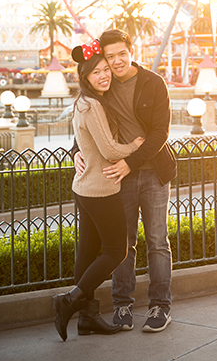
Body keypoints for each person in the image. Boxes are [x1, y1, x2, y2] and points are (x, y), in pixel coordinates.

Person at [72, 29, 176, 333]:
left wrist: (130, 162)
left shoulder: (153, 83)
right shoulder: (102, 85)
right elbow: (87, 124)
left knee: (158, 241)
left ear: (132, 51)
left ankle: (160, 306)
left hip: (152, 171)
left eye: (121, 54)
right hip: (119, 175)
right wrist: (76, 150)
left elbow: (161, 132)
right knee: (124, 243)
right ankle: (123, 305)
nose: (116, 62)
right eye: (110, 56)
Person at [52, 41, 144, 341]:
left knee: (88, 252)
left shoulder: (84, 102)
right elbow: (107, 148)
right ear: (85, 77)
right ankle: (70, 300)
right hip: (101, 189)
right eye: (97, 73)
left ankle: (88, 319)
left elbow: (89, 143)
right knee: (117, 250)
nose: (104, 76)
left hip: (85, 186)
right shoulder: (92, 105)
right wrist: (135, 146)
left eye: (106, 70)